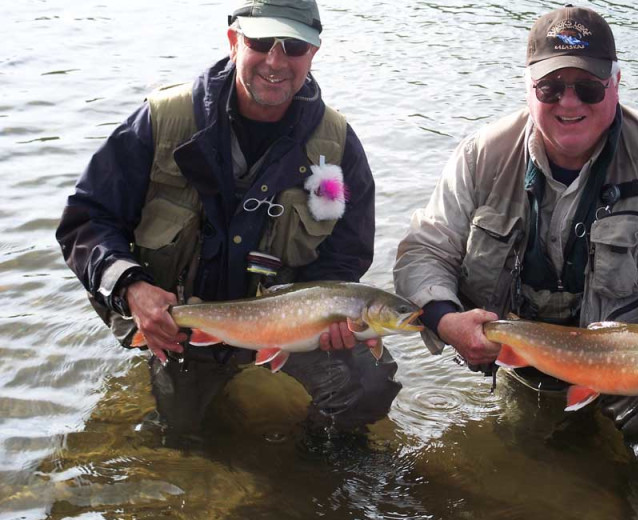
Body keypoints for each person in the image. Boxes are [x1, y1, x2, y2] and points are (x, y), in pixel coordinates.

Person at [394, 4, 638, 467]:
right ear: (528, 88)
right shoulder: (481, 153)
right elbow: (423, 252)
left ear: (616, 84)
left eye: (588, 87)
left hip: (631, 363)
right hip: (527, 356)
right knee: (523, 464)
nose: (569, 103)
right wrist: (446, 320)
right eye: (550, 87)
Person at [56, 0, 400, 435]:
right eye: (260, 42)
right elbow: (86, 219)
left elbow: (345, 256)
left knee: (367, 387)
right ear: (234, 41)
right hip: (182, 328)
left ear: (313, 52)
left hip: (290, 327)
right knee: (182, 437)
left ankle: (311, 468)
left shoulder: (337, 145)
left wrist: (330, 320)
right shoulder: (163, 120)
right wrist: (132, 287)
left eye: (293, 46)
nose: (275, 62)